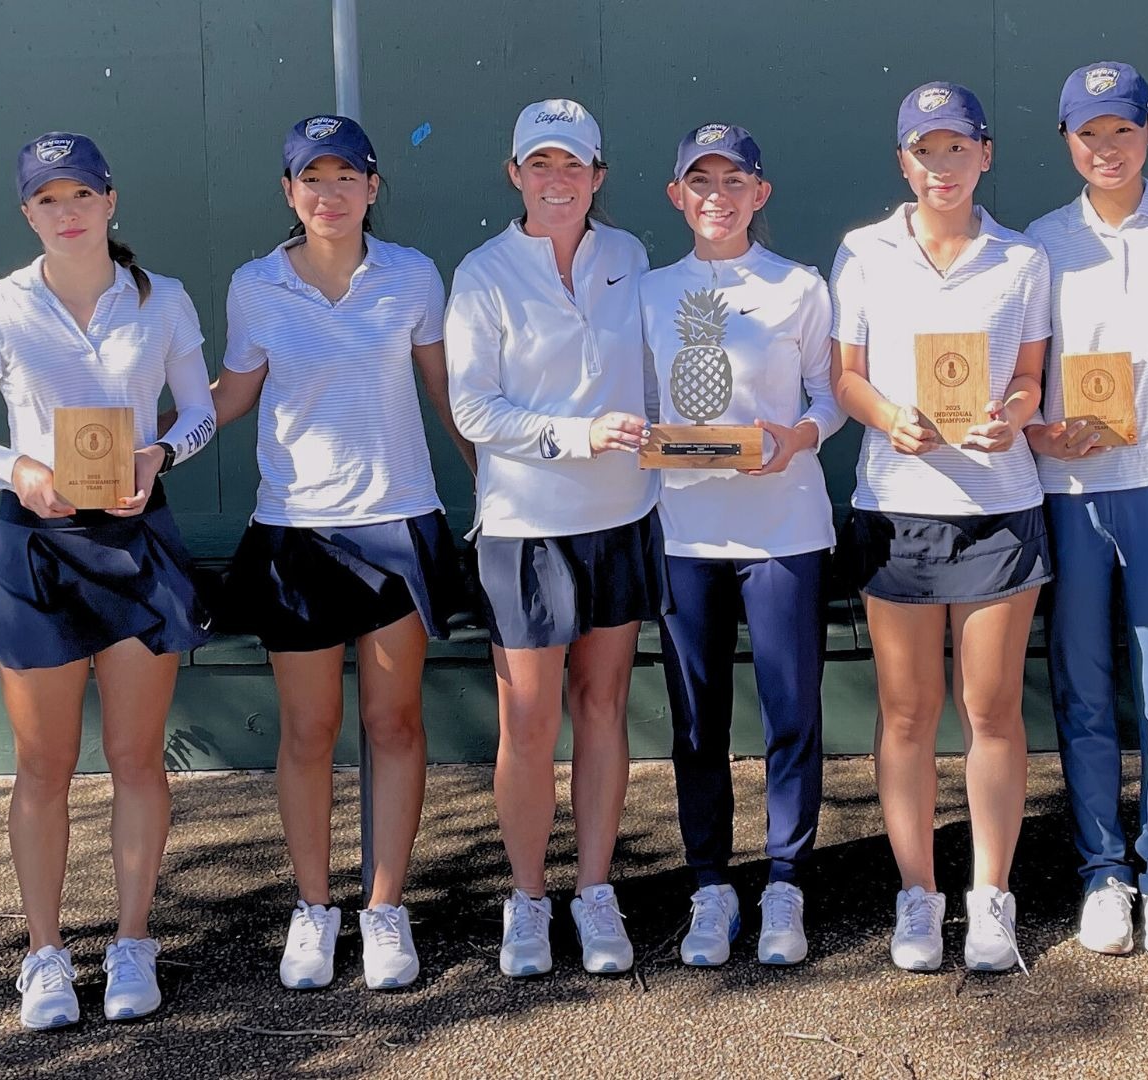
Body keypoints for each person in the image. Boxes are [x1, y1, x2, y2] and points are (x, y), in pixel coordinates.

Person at [0, 132, 217, 1027]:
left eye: (81, 195)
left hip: (137, 542)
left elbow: (203, 408)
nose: (68, 212)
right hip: (35, 547)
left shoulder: (161, 299)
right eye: (48, 199)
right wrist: (16, 470)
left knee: (137, 757)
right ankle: (46, 954)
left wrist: (161, 451)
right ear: (28, 211)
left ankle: (133, 941)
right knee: (43, 765)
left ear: (110, 200)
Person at [211, 115, 467, 992]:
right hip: (296, 538)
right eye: (310, 180)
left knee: (394, 725)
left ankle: (385, 911)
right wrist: (137, 425)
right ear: (289, 192)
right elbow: (232, 397)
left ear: (372, 186)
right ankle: (315, 911)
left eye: (346, 177)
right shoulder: (253, 287)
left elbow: (446, 393)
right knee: (310, 732)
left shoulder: (413, 277)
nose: (329, 194)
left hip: (400, 526)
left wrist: (500, 482)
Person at [830, 82, 1050, 973]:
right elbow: (847, 377)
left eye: (957, 149)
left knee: (992, 709)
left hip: (1000, 509)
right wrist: (888, 417)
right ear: (903, 163)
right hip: (897, 511)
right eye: (925, 151)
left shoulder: (1023, 260)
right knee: (908, 711)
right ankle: (918, 896)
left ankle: (990, 897)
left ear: (985, 155)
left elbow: (1032, 379)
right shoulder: (862, 253)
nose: (942, 167)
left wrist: (1015, 414)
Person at [447, 99, 663, 977]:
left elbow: (655, 379)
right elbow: (472, 407)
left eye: (573, 166)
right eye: (540, 165)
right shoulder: (484, 272)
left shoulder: (632, 258)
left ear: (598, 177)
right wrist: (577, 435)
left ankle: (597, 892)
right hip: (526, 529)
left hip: (621, 518)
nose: (557, 182)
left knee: (603, 708)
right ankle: (529, 899)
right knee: (529, 722)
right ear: (515, 176)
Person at [1020, 61, 1148, 958]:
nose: (1107, 148)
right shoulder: (1038, 242)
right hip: (1071, 490)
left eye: (1122, 130)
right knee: (1083, 691)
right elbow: (1017, 372)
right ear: (1066, 141)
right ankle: (1103, 873)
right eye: (1088, 133)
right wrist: (1039, 430)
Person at [640, 124, 842, 967]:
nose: (717, 196)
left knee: (792, 712)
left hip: (786, 527)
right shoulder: (646, 293)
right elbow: (639, 403)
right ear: (676, 196)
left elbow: (830, 398)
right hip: (687, 531)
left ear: (760, 195)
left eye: (735, 181)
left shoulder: (799, 286)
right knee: (698, 719)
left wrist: (795, 438)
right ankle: (712, 886)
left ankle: (787, 880)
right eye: (701, 181)